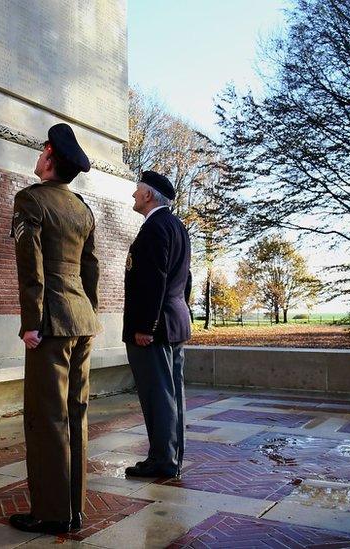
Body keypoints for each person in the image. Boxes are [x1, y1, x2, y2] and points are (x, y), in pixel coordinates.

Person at [8, 123, 100, 535]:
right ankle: (74, 508)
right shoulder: (82, 207)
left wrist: (31, 322)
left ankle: (50, 512)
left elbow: (31, 267)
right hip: (81, 319)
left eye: (42, 149)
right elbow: (90, 269)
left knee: (46, 419)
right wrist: (87, 314)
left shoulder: (30, 201)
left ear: (49, 157)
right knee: (75, 414)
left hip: (50, 323)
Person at [122, 170, 192, 479]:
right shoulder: (177, 226)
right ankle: (171, 456)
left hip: (155, 327)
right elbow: (185, 278)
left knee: (158, 395)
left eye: (137, 190)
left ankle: (162, 460)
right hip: (174, 322)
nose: (134, 195)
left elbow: (152, 282)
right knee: (173, 393)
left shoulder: (154, 228)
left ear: (149, 195)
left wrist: (145, 327)